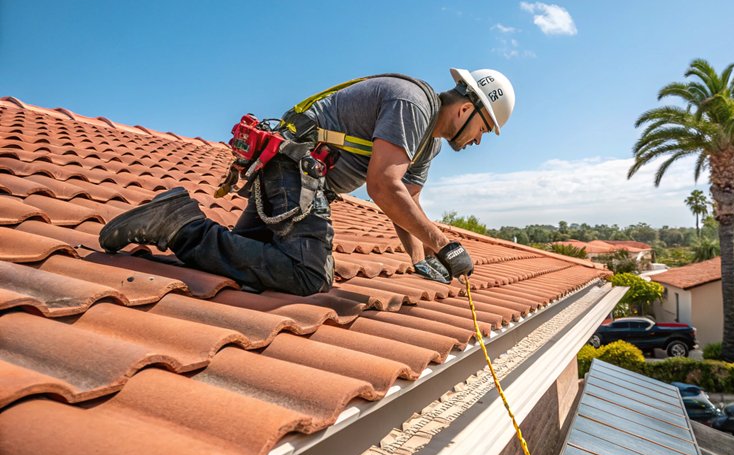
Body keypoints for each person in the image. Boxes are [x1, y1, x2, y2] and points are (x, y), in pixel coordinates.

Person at [99, 68, 515, 296]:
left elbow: (407, 206)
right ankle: (180, 225)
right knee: (307, 275)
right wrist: (446, 245)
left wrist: (421, 259)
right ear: (465, 110)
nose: (479, 140)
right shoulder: (413, 104)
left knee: (250, 264)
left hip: (292, 179)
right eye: (484, 128)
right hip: (295, 174)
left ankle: (180, 226)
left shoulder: (428, 146)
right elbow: (383, 188)